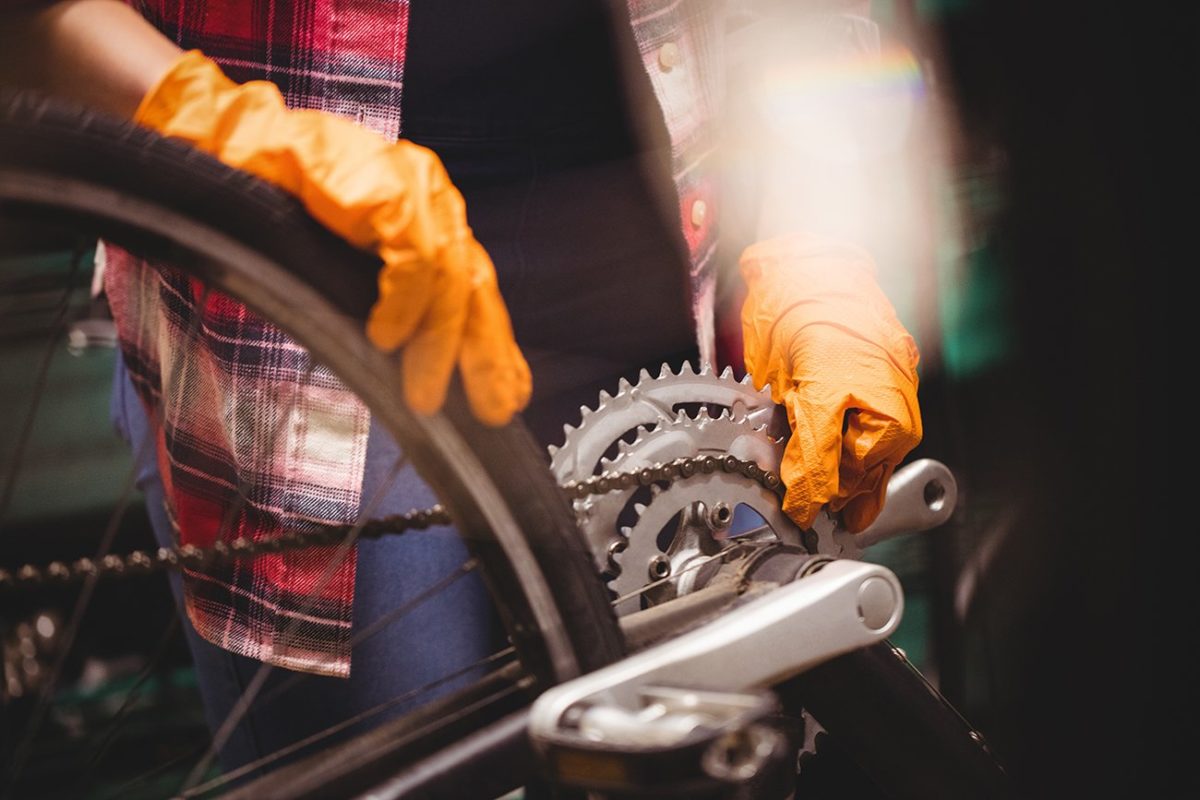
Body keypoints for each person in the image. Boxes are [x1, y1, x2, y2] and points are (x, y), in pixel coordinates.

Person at [0, 0, 923, 776]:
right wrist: (227, 132)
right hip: (303, 298)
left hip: (652, 255)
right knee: (408, 761)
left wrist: (818, 226)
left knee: (703, 760)